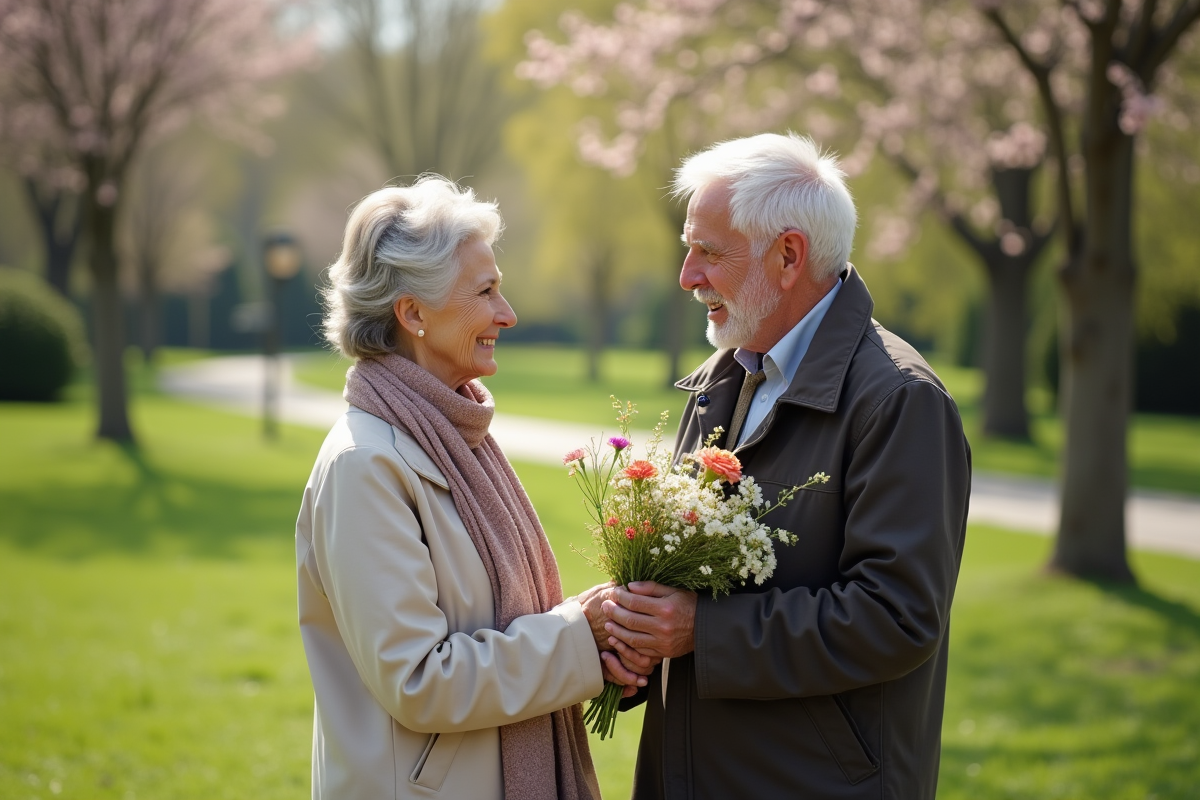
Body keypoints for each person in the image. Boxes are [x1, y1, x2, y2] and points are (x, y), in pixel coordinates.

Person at [600, 134, 972, 799]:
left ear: (788, 256)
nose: (687, 277)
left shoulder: (900, 400)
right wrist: (635, 631)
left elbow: (898, 617)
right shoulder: (723, 377)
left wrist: (701, 632)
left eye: (708, 252)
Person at [295, 177, 643, 800]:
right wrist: (577, 637)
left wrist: (598, 631)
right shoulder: (365, 466)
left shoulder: (458, 435)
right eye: (485, 292)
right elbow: (419, 682)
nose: (507, 314)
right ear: (413, 314)